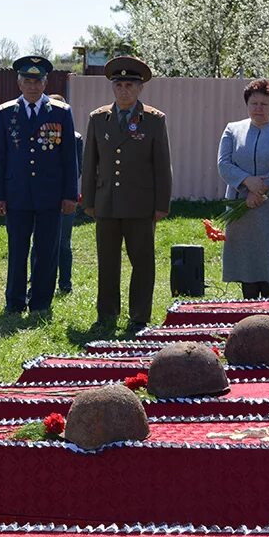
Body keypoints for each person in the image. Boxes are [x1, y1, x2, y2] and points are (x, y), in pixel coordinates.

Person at [82, 57, 172, 334]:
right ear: (112, 88)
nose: (124, 90)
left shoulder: (154, 120)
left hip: (140, 204)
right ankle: (107, 313)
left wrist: (161, 204)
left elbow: (162, 164)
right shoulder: (98, 119)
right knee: (107, 262)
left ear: (140, 89)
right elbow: (89, 163)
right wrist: (89, 200)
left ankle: (139, 315)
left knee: (142, 262)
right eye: (119, 85)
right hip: (106, 202)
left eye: (129, 85)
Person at [0, 57, 78, 317]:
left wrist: (70, 194)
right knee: (17, 250)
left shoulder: (61, 112)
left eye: (37, 81)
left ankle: (41, 301)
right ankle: (14, 301)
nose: (32, 86)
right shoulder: (6, 112)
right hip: (17, 194)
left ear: (45, 82)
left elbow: (69, 158)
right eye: (27, 81)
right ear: (18, 82)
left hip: (50, 195)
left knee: (47, 250)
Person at [216, 80, 269, 299]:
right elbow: (224, 164)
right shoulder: (233, 129)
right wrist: (247, 182)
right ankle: (248, 311)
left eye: (264, 104)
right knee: (246, 263)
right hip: (241, 207)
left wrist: (262, 190)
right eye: (254, 103)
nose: (258, 108)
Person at [48, 93, 83, 295]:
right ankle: (36, 281)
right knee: (39, 243)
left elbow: (77, 169)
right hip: (43, 197)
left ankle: (65, 284)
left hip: (66, 197)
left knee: (63, 243)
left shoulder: (75, 138)